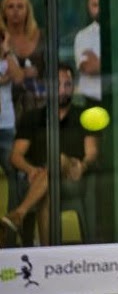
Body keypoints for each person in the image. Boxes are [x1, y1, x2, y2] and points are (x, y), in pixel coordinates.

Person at [0, 63, 99, 247]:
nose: (62, 90)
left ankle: (19, 214)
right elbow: (16, 156)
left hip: (71, 175)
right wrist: (30, 170)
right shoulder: (33, 117)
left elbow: (92, 152)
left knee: (59, 158)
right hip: (39, 178)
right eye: (57, 84)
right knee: (47, 189)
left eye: (67, 85)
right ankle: (49, 254)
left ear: (73, 86)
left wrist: (82, 166)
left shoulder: (83, 115)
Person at [0, 0, 46, 120]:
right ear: (4, 11)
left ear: (27, 11)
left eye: (20, 7)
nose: (15, 11)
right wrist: (22, 72)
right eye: (10, 7)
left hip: (39, 99)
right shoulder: (1, 38)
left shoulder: (42, 36)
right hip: (7, 104)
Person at [0, 28, 24, 247]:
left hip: (6, 126)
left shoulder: (8, 58)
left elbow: (18, 79)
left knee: (14, 176)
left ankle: (9, 236)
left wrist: (7, 51)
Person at [74, 0, 101, 103]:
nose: (99, 9)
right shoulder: (83, 36)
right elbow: (89, 67)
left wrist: (98, 62)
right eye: (95, 5)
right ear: (89, 8)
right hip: (90, 101)